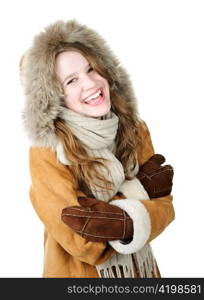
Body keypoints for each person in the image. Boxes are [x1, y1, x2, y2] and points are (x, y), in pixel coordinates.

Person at [20, 20, 175, 278]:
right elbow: (82, 240)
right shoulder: (47, 151)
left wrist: (110, 217)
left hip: (142, 274)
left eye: (91, 68)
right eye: (71, 81)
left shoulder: (134, 129)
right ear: (52, 98)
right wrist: (141, 192)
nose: (90, 83)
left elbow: (165, 208)